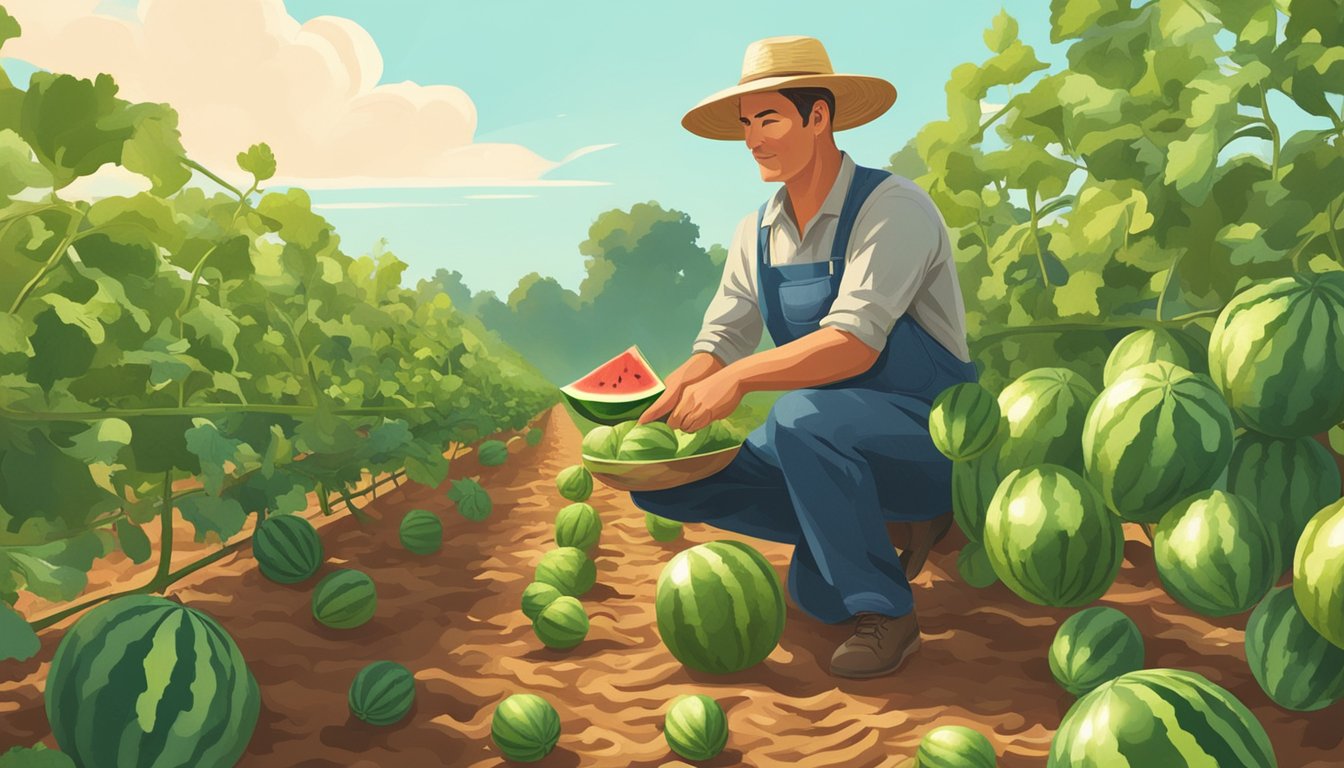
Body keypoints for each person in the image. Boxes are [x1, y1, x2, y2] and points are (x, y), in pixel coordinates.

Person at [627, 35, 978, 679]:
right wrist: (668, 398)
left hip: (928, 435)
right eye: (745, 124)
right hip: (824, 434)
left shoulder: (892, 207)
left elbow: (855, 341)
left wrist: (736, 380)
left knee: (797, 420)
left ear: (819, 117)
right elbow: (723, 339)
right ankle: (872, 533)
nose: (753, 139)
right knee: (665, 488)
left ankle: (888, 612)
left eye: (769, 119)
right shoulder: (754, 232)